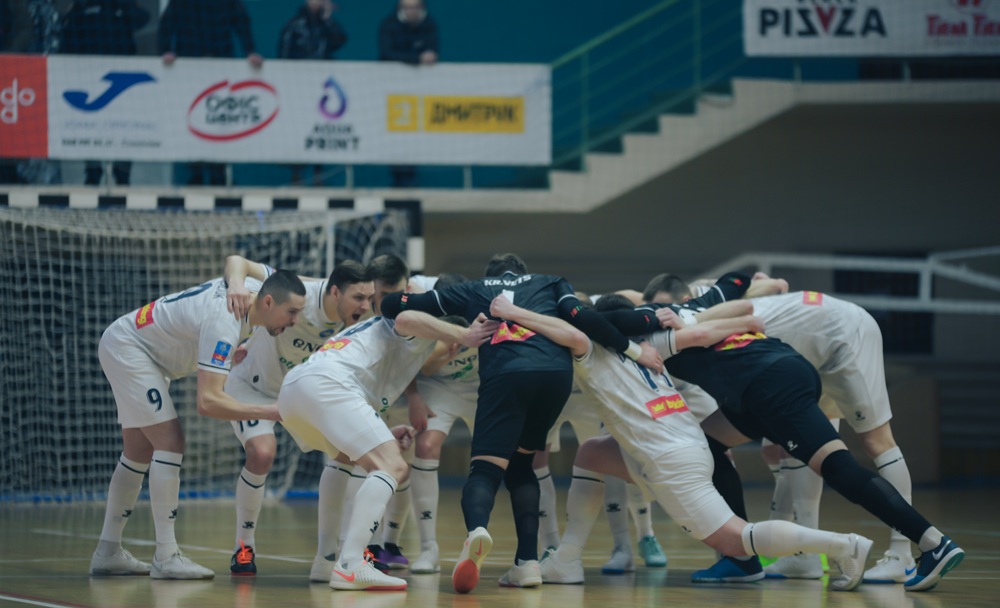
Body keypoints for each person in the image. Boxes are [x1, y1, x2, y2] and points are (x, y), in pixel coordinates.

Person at [489, 293, 875, 592]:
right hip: (685, 440)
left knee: (736, 540)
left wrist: (512, 311)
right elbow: (701, 330)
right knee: (592, 453)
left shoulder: (592, 348)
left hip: (671, 458)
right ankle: (568, 559)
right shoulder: (647, 346)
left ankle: (843, 545)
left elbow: (573, 333)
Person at [638, 273, 964, 592]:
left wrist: (685, 319)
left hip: (794, 364)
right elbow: (754, 294)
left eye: (660, 309)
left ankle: (923, 546)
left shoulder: (673, 321)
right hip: (775, 372)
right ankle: (759, 558)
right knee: (711, 444)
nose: (657, 315)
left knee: (850, 459)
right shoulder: (705, 304)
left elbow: (754, 298)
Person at [380, 253, 664, 593]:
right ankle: (527, 563)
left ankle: (477, 531)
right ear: (523, 274)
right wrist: (637, 347)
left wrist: (436, 314)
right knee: (522, 466)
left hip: (507, 375)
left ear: (491, 275)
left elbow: (393, 306)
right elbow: (587, 317)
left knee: (485, 470)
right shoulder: (551, 282)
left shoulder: (475, 288)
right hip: (555, 377)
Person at [89, 270, 307, 580]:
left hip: (134, 346)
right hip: (131, 349)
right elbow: (207, 403)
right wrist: (272, 411)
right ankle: (166, 556)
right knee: (170, 441)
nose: (295, 321)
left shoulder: (249, 290)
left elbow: (237, 262)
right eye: (292, 312)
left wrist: (235, 282)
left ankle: (108, 552)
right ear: (269, 302)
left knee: (138, 451)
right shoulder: (225, 322)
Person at [276, 308, 497, 590]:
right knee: (393, 466)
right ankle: (351, 563)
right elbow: (406, 317)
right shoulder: (419, 333)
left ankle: (325, 559)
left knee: (343, 459)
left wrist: (386, 435)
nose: (451, 355)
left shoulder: (382, 343)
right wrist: (464, 335)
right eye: (453, 347)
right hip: (329, 385)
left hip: (295, 389)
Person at [222, 258, 374, 577]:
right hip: (253, 386)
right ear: (335, 292)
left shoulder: (359, 320)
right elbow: (238, 263)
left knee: (355, 452)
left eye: (369, 298)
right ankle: (244, 546)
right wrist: (236, 285)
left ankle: (343, 553)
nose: (366, 305)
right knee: (262, 453)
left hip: (301, 393)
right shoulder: (300, 293)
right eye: (359, 297)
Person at [157, 0, 262, 186]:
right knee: (192, 119)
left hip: (219, 64)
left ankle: (218, 172)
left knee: (219, 120)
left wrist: (250, 50)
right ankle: (196, 172)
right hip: (190, 65)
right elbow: (167, 23)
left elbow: (241, 20)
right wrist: (165, 49)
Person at [60, 0, 149, 186]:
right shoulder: (81, 6)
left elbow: (142, 19)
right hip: (88, 74)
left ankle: (122, 172)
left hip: (120, 76)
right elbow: (67, 35)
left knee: (124, 125)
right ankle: (93, 171)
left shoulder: (121, 6)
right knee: (89, 126)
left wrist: (122, 6)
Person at [277, 0, 347, 187]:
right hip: (299, 89)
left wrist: (328, 19)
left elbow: (340, 40)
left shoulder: (325, 25)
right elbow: (283, 55)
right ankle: (297, 175)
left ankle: (318, 174)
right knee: (298, 131)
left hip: (320, 89)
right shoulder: (294, 25)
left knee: (320, 130)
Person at [378, 0, 439, 188]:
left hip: (417, 93)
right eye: (407, 7)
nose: (411, 11)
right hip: (391, 92)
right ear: (400, 8)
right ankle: (396, 176)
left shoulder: (429, 24)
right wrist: (417, 59)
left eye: (415, 7)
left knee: (414, 133)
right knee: (393, 134)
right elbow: (386, 53)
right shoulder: (389, 25)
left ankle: (410, 176)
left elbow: (433, 52)